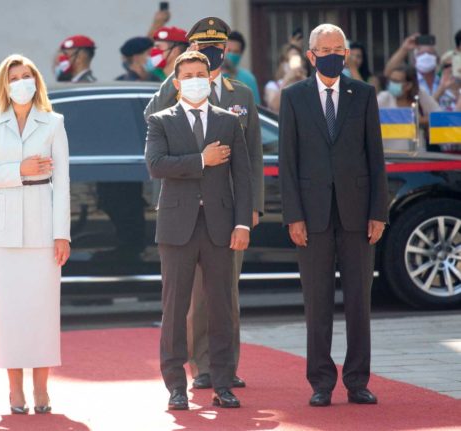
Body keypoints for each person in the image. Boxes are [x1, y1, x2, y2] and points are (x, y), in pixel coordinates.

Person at [145, 16, 263, 392]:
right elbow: (155, 120)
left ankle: (227, 365)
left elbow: (254, 155)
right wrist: (177, 72)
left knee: (225, 292)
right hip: (184, 210)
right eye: (201, 49)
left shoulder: (240, 94)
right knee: (189, 297)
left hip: (226, 210)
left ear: (226, 51)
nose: (210, 56)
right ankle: (203, 366)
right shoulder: (175, 89)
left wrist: (251, 208)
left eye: (216, 48)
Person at [279, 24, 389, 407]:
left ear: (346, 53)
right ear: (310, 55)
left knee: (359, 302)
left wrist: (379, 212)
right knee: (318, 303)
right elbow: (287, 161)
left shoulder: (363, 94)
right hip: (312, 217)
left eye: (338, 48)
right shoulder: (293, 97)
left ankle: (358, 380)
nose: (332, 55)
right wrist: (293, 215)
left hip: (358, 215)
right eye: (324, 49)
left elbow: (376, 157)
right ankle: (321, 382)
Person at [0, 54, 70, 415]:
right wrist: (20, 170)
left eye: (27, 75)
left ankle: (42, 388)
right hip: (1, 229)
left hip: (44, 226)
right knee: (11, 313)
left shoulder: (54, 122)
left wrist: (63, 234)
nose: (21, 82)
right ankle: (15, 390)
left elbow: (63, 183)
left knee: (43, 310)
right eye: (14, 77)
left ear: (37, 80)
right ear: (4, 84)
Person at [377, 65, 440, 150]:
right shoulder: (384, 97)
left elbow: (439, 116)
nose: (391, 84)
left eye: (396, 81)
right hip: (389, 156)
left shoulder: (420, 95)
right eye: (390, 80)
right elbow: (368, 114)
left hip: (418, 156)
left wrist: (418, 120)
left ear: (408, 85)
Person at [264, 44, 308, 113]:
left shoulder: (306, 83)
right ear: (283, 64)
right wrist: (286, 80)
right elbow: (274, 107)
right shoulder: (272, 85)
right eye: (289, 60)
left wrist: (305, 80)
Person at [222, 31, 261, 105]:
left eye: (236, 51)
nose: (231, 54)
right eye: (229, 50)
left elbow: (256, 110)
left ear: (241, 53)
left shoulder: (248, 79)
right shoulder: (208, 76)